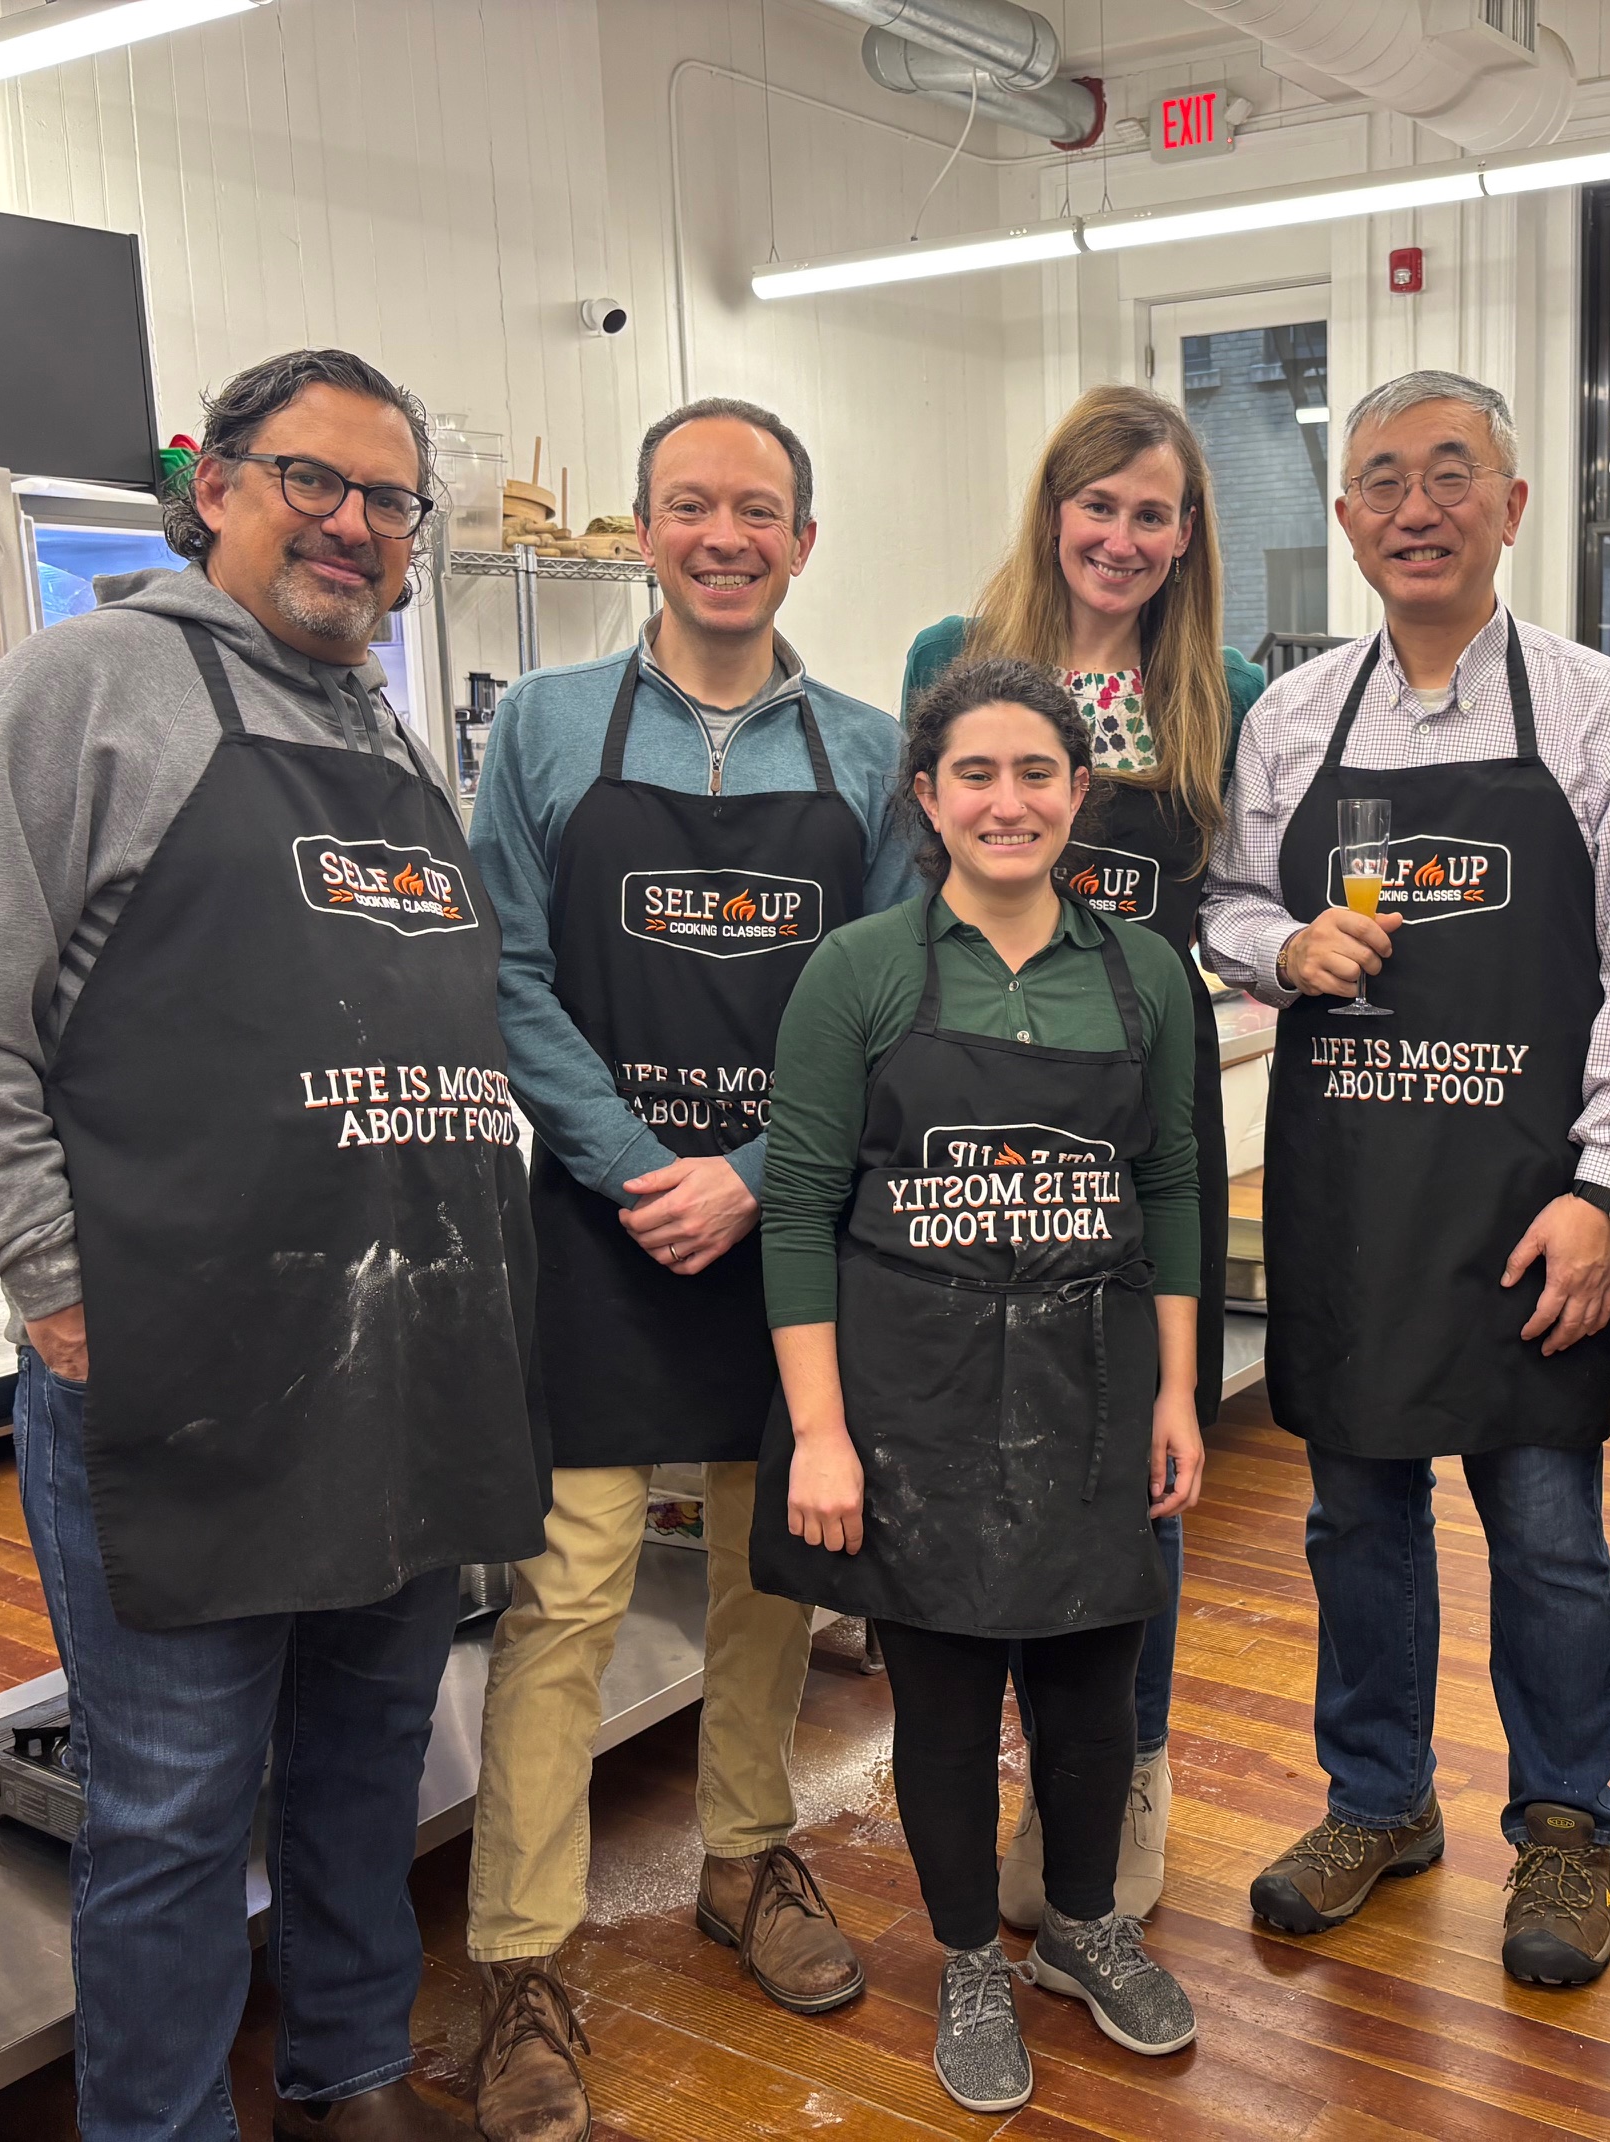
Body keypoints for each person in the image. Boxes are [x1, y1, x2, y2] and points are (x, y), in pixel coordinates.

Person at [0, 349, 546, 2141]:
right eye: (312, 479)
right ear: (218, 486)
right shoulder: (83, 693)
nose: (353, 524)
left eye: (389, 500)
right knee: (172, 1809)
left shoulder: (386, 733)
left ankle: (352, 2073)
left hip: (396, 1365)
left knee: (365, 1766)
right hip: (175, 1376)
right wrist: (59, 1281)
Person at [1201, 369, 1610, 1987]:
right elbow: (1216, 908)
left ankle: (1564, 1832)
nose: (1418, 507)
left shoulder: (1602, 710)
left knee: (1547, 1532)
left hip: (1525, 1205)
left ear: (1511, 504)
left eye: (1451, 476)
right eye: (1385, 482)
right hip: (1349, 1201)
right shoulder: (1289, 719)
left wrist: (1605, 1189)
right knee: (1356, 1520)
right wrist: (1287, 941)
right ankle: (1380, 1798)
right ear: (1345, 519)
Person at [459, 397, 916, 2136]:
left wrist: (748, 1175)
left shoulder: (868, 753)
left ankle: (747, 1858)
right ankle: (524, 1956)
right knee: (566, 1597)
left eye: (761, 510)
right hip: (596, 1221)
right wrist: (640, 1162)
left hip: (783, 1225)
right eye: (690, 507)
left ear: (804, 539)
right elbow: (506, 971)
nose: (725, 536)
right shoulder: (550, 732)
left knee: (770, 1569)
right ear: (644, 529)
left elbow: (881, 1001)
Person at [751, 657, 1208, 2116]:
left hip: (1091, 1381)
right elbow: (800, 1208)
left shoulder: (1145, 975)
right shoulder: (862, 970)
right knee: (942, 1703)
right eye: (976, 775)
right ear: (928, 797)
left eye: (1036, 774)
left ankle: (1080, 1926)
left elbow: (1176, 1191)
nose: (1008, 802)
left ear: (1080, 792)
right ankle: (964, 1955)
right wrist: (820, 1432)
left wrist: (1179, 1396)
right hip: (911, 1395)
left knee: (1091, 1687)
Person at [900, 385, 1266, 1928]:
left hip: (1131, 1108)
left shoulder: (1223, 686)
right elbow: (896, 878)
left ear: (1189, 537)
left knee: (1132, 1454)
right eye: (1099, 504)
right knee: (967, 1434)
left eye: (1155, 512)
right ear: (1054, 508)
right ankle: (974, 1771)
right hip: (966, 1095)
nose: (1123, 537)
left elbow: (1234, 898)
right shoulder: (948, 660)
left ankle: (1118, 1781)